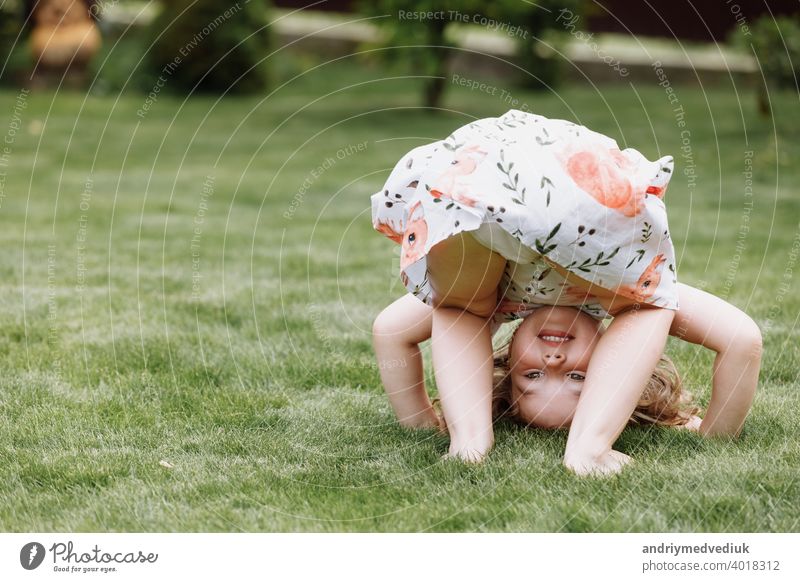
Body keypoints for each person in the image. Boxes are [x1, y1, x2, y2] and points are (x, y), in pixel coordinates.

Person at [370, 110, 762, 475]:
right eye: (578, 377)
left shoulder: (498, 302)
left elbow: (390, 332)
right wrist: (715, 434)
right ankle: (588, 448)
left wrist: (422, 419)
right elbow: (742, 341)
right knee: (646, 304)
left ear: (502, 364)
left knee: (460, 307)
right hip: (576, 188)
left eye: (534, 374)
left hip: (466, 189)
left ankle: (469, 442)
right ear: (618, 368)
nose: (555, 359)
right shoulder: (633, 302)